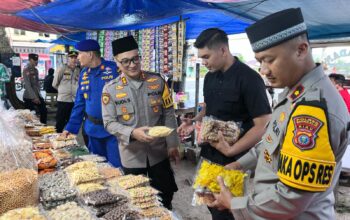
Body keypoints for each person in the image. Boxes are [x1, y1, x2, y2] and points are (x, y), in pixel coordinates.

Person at [209, 8, 350, 219]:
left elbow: (291, 199)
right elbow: (270, 145)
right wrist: (238, 164)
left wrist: (234, 203)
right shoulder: (293, 93)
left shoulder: (313, 110)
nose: (263, 70)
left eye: (269, 59)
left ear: (301, 50)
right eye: (259, 61)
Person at [177, 28, 271, 220]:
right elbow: (209, 109)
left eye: (206, 57)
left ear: (223, 50)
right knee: (209, 202)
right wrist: (194, 121)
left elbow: (263, 125)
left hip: (233, 161)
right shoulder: (210, 77)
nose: (203, 62)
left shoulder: (249, 79)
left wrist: (231, 150)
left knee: (230, 210)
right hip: (208, 155)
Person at [102, 35, 180, 210]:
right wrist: (132, 133)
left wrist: (173, 143)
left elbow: (168, 112)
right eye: (125, 61)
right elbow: (108, 123)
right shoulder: (110, 89)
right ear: (117, 63)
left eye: (135, 59)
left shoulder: (157, 81)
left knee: (165, 196)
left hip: (159, 154)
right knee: (136, 202)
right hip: (132, 157)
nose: (132, 64)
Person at [62, 39, 121, 167]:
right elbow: (80, 103)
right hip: (92, 130)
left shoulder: (114, 70)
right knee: (97, 169)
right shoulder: (84, 74)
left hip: (113, 132)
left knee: (116, 170)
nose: (77, 57)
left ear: (90, 54)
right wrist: (70, 128)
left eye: (79, 53)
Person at [52, 51, 80, 132]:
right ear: (68, 58)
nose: (74, 60)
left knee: (71, 122)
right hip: (63, 100)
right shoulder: (62, 68)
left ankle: (69, 141)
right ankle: (57, 139)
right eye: (71, 58)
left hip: (74, 100)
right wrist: (63, 91)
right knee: (60, 122)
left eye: (75, 58)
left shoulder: (78, 70)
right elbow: (54, 84)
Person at [23, 53, 47, 124]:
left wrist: (38, 96)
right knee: (30, 115)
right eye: (34, 60)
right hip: (29, 96)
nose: (36, 61)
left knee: (44, 110)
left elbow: (37, 84)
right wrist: (34, 97)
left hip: (37, 95)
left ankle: (43, 127)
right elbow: (28, 85)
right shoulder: (26, 70)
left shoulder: (36, 70)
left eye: (37, 60)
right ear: (30, 60)